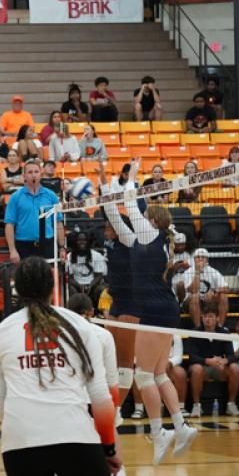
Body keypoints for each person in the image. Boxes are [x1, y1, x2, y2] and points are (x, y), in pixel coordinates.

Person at [0, 256, 122, 476]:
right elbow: (101, 400)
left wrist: (29, 418)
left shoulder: (2, 331)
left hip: (20, 441)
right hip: (75, 435)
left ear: (17, 289)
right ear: (53, 287)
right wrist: (108, 449)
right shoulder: (80, 326)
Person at [114, 159, 198, 465]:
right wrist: (109, 185)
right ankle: (180, 425)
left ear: (152, 220)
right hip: (165, 310)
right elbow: (118, 209)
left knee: (143, 375)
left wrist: (132, 175)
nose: (143, 216)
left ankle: (159, 430)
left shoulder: (149, 235)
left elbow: (128, 204)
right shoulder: (158, 240)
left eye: (146, 214)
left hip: (153, 311)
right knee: (158, 373)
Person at [66, 292, 127, 476]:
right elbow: (111, 378)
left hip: (71, 402)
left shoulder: (59, 335)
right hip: (98, 400)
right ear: (92, 312)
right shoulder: (104, 335)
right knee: (113, 459)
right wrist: (114, 410)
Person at [98, 160, 141, 408]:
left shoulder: (128, 240)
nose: (105, 228)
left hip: (131, 305)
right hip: (116, 303)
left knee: (126, 364)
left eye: (109, 226)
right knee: (110, 361)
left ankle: (116, 409)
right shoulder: (111, 239)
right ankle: (110, 405)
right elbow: (108, 211)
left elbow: (113, 212)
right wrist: (103, 180)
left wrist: (131, 175)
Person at [186, 304, 239, 417]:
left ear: (217, 318)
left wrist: (224, 361)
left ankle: (231, 404)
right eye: (205, 316)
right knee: (196, 369)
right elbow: (192, 357)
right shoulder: (195, 332)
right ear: (202, 318)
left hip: (218, 368)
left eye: (211, 317)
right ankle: (196, 406)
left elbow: (232, 355)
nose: (208, 319)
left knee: (235, 368)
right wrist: (208, 361)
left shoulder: (224, 333)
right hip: (202, 367)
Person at [5, 160, 65, 263]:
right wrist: (12, 250)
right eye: (30, 172)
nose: (34, 175)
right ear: (24, 176)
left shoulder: (51, 195)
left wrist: (62, 247)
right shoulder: (15, 197)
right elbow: (9, 224)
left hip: (47, 244)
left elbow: (58, 222)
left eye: (36, 172)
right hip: (24, 245)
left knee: (46, 278)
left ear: (40, 174)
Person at [130, 335, 189, 419]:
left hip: (169, 364)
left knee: (180, 373)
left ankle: (181, 407)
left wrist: (169, 363)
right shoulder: (145, 334)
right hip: (149, 364)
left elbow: (178, 356)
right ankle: (139, 409)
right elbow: (137, 357)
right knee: (139, 373)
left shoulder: (175, 336)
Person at [184, 248, 229, 327]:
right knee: (195, 296)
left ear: (207, 260)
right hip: (191, 301)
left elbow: (226, 288)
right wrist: (197, 272)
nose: (200, 259)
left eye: (203, 257)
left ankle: (220, 326)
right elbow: (192, 290)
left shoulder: (213, 271)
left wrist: (215, 291)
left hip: (209, 300)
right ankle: (198, 327)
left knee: (223, 296)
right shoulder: (188, 272)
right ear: (194, 259)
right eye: (198, 257)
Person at [67, 231, 107, 305]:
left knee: (101, 289)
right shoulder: (69, 256)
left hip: (92, 285)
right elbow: (69, 278)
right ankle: (76, 311)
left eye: (84, 240)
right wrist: (79, 286)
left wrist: (90, 286)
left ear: (88, 242)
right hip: (76, 286)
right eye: (79, 240)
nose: (82, 242)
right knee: (70, 289)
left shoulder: (96, 255)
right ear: (75, 242)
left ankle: (99, 311)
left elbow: (98, 276)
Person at [171, 232, 193, 303]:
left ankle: (181, 305)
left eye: (182, 245)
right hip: (173, 284)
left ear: (185, 244)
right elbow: (167, 272)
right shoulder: (169, 255)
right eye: (178, 245)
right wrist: (179, 266)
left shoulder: (190, 255)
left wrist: (189, 267)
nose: (180, 247)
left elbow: (195, 270)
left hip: (187, 283)